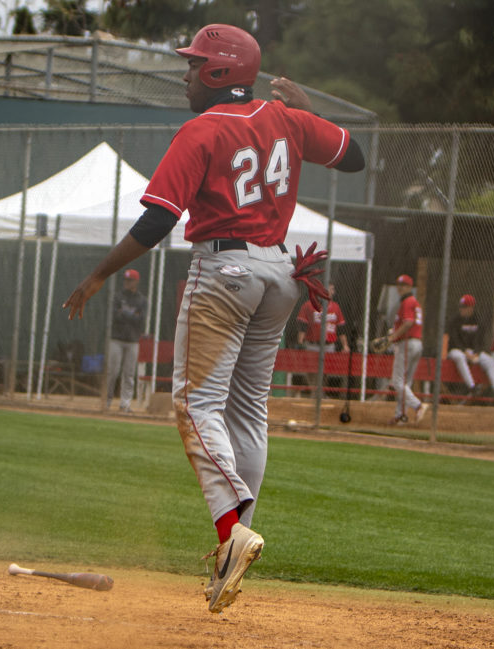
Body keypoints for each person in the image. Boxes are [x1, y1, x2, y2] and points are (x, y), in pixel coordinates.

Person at [63, 24, 364, 614]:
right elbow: (354, 157)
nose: (186, 75)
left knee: (194, 404)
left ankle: (232, 534)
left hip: (225, 271)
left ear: (220, 74)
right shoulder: (288, 119)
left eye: (195, 65)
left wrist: (96, 275)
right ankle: (234, 547)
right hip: (281, 275)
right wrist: (307, 111)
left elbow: (156, 223)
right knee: (248, 410)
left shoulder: (200, 130)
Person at [379, 275, 427, 425]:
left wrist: (393, 337)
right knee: (406, 383)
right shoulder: (414, 302)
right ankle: (401, 415)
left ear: (409, 287)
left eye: (404, 285)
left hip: (407, 343)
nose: (400, 287)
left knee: (397, 381)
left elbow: (408, 323)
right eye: (399, 284)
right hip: (416, 344)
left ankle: (418, 406)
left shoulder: (407, 302)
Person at [443, 294, 494, 404]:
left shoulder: (478, 320)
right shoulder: (455, 320)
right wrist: (465, 352)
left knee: (489, 360)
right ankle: (472, 386)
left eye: (465, 307)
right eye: (461, 307)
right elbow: (454, 340)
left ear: (471, 308)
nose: (462, 309)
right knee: (459, 357)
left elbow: (481, 340)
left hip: (473, 351)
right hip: (456, 350)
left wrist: (477, 353)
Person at [295, 283, 350, 397]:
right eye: (327, 289)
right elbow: (302, 326)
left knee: (325, 372)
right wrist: (300, 342)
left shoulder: (335, 307)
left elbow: (341, 329)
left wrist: (345, 345)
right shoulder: (309, 305)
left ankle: (319, 394)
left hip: (329, 345)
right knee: (311, 371)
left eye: (331, 289)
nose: (330, 292)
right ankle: (315, 394)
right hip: (312, 344)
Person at [105, 268, 147, 413]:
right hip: (116, 338)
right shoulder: (118, 297)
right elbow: (115, 316)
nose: (127, 283)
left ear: (136, 281)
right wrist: (131, 315)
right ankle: (106, 401)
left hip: (133, 340)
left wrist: (125, 314)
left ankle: (125, 404)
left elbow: (141, 320)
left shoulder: (141, 299)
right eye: (126, 280)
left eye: (130, 280)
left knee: (129, 374)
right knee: (112, 372)